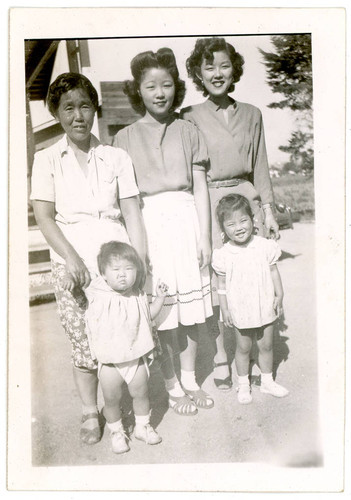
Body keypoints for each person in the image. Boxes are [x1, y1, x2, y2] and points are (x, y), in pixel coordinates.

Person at [30, 72, 146, 445]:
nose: (78, 115)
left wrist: (140, 261)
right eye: (68, 108)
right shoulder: (47, 159)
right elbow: (44, 217)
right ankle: (89, 412)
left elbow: (131, 213)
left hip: (116, 264)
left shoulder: (116, 156)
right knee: (83, 342)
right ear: (57, 113)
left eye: (84, 106)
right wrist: (72, 260)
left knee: (124, 334)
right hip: (72, 263)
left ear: (95, 109)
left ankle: (129, 410)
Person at [113, 47, 214, 416]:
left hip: (186, 223)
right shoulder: (123, 139)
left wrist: (205, 236)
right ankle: (171, 385)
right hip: (149, 226)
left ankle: (189, 378)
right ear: (137, 90)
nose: (160, 93)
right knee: (163, 312)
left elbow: (200, 187)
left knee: (191, 313)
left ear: (176, 88)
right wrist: (138, 248)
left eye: (167, 85)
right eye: (151, 86)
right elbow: (126, 202)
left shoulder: (189, 130)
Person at [181, 37, 280, 391]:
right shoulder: (189, 116)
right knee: (216, 284)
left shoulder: (253, 113)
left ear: (234, 69)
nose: (217, 73)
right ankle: (224, 356)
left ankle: (259, 355)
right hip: (209, 204)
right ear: (198, 73)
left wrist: (267, 211)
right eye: (209, 67)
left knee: (254, 278)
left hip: (247, 203)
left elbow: (261, 165)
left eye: (223, 65)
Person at [84, 241, 167, 454]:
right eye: (116, 270)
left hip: (135, 357)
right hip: (111, 361)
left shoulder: (137, 295)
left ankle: (142, 426)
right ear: (102, 273)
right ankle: (117, 431)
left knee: (141, 393)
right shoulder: (97, 293)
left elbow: (150, 315)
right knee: (111, 399)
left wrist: (159, 297)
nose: (123, 275)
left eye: (129, 269)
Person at [212, 194, 289, 404]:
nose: (238, 227)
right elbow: (221, 286)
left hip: (264, 302)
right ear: (223, 228)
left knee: (266, 346)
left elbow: (273, 272)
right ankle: (243, 384)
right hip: (240, 307)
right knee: (243, 348)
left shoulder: (264, 246)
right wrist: (225, 310)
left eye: (243, 220)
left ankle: (267, 381)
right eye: (231, 224)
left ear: (253, 220)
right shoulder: (224, 254)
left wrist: (279, 295)